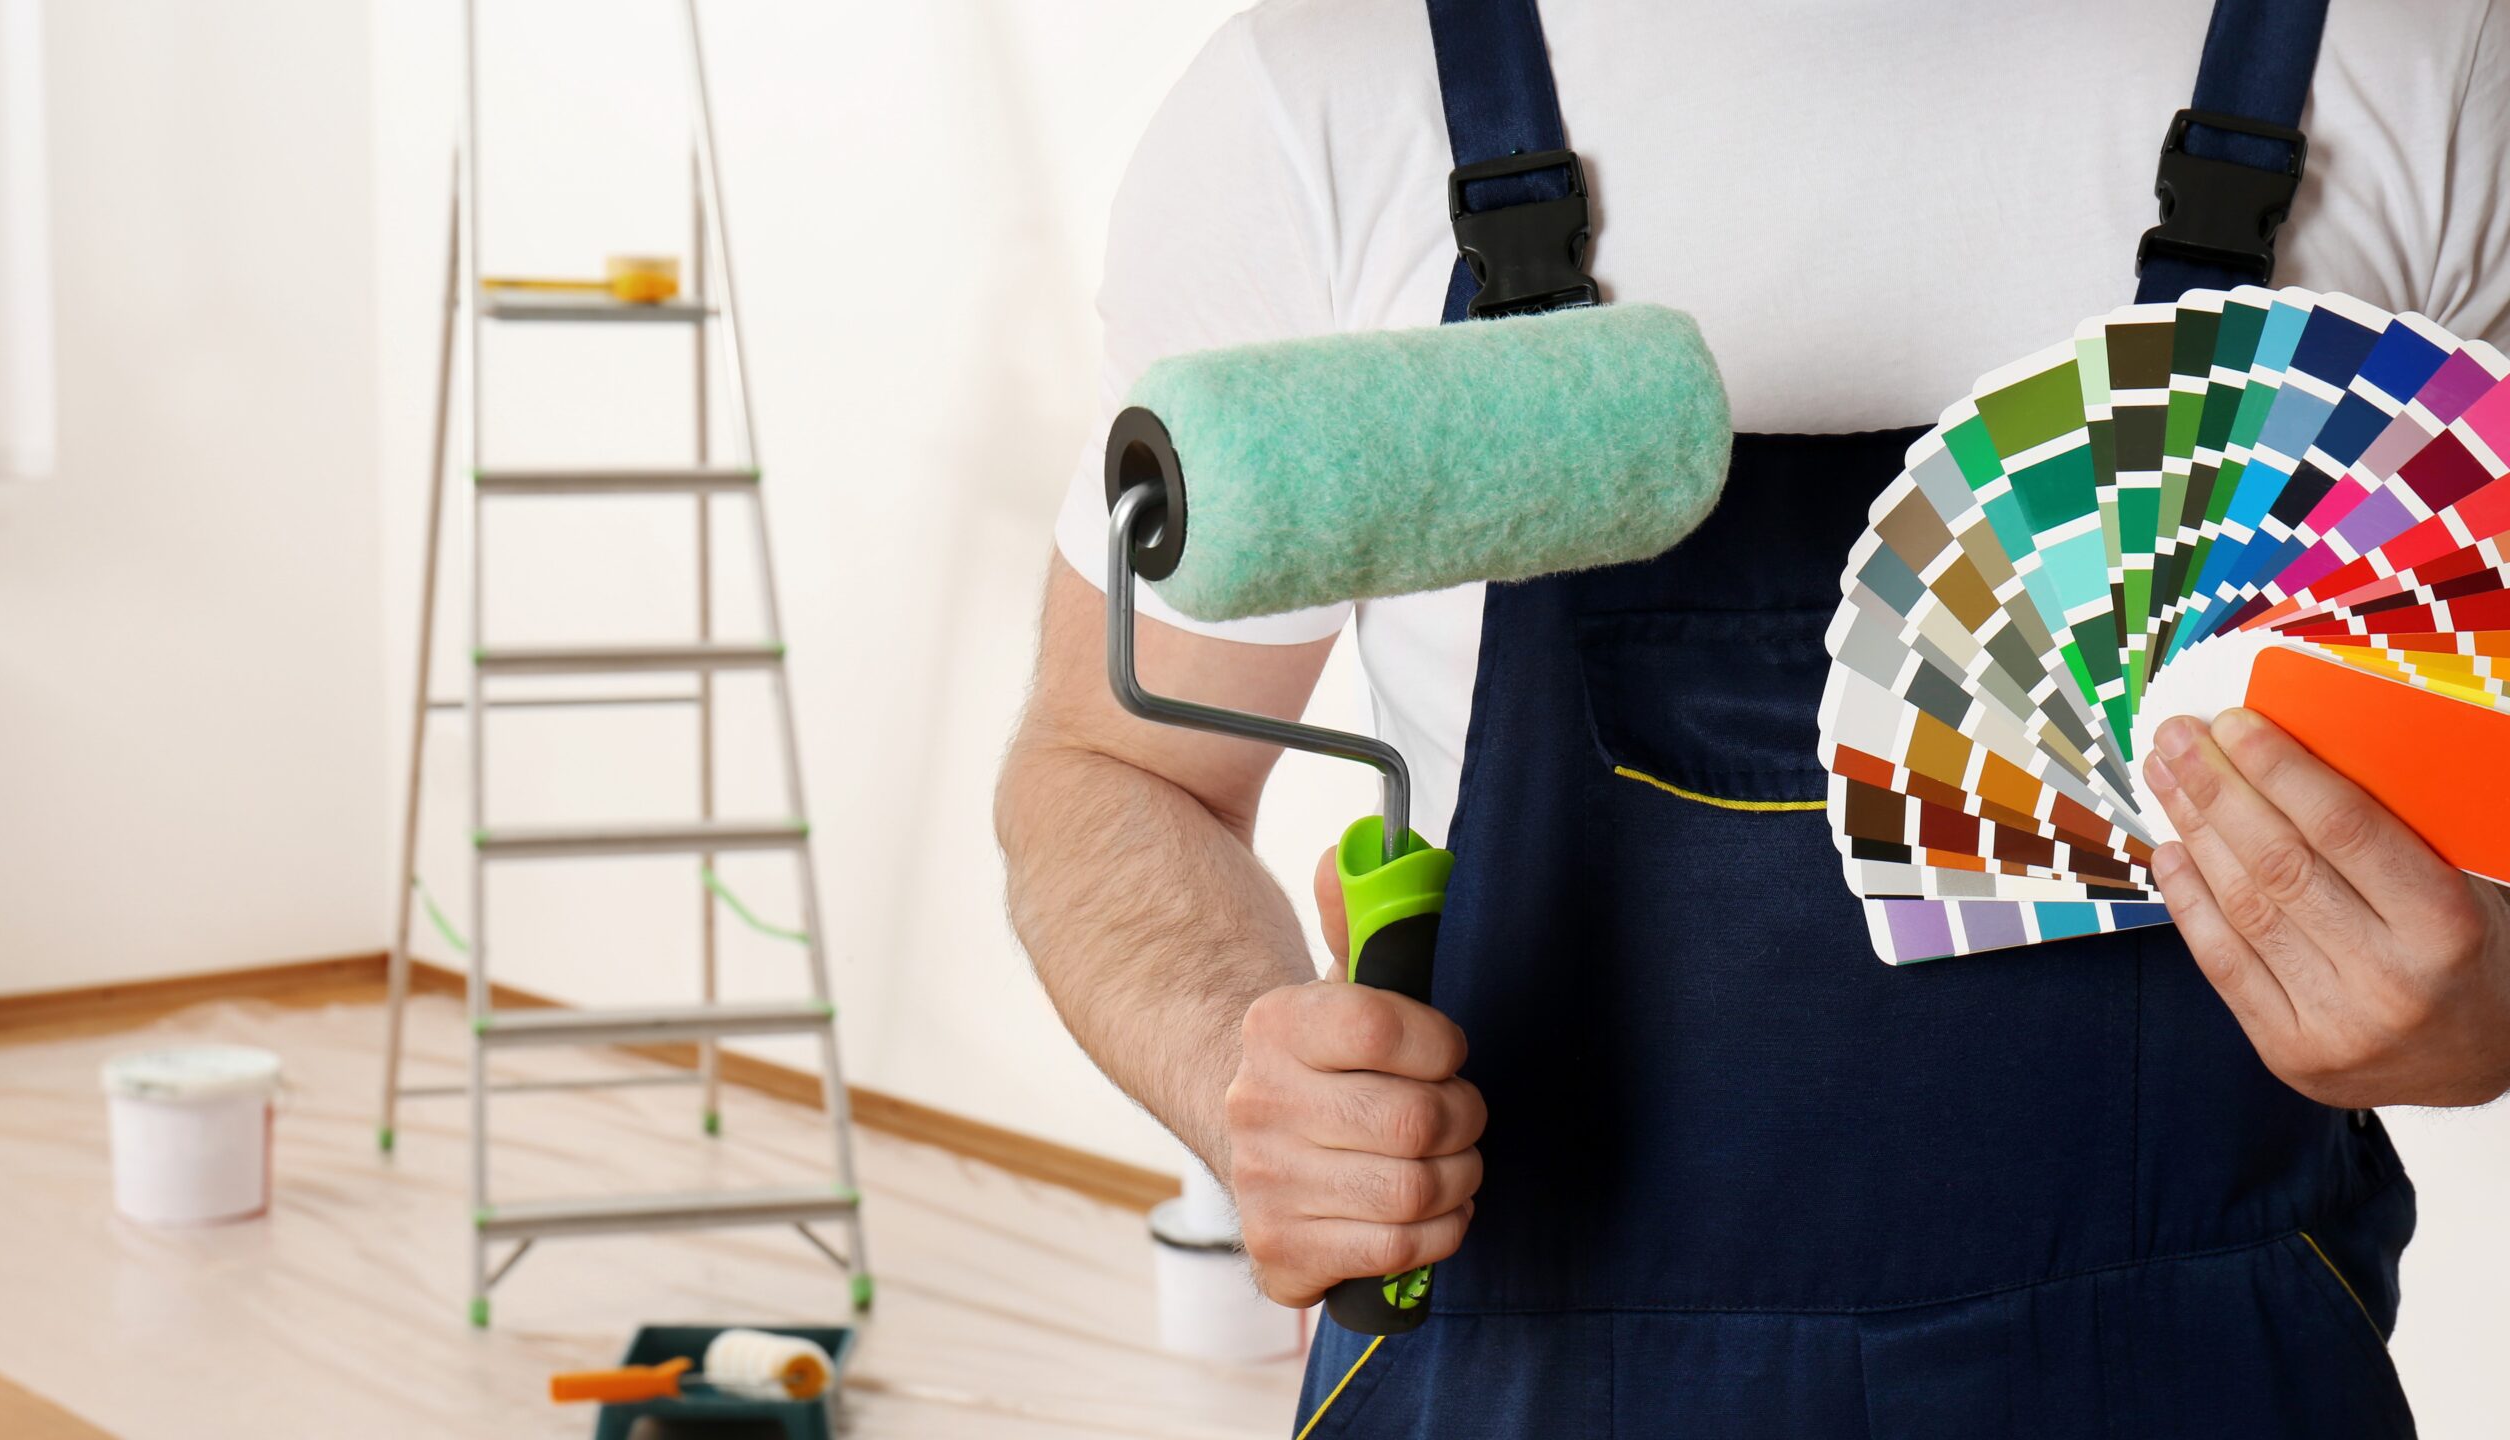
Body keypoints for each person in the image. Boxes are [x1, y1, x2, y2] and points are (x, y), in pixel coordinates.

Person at [994, 1, 2510, 1434]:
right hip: (1516, 1370)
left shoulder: (2429, 65)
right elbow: (1117, 766)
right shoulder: (1327, 85)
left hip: (2205, 1372)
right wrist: (1234, 1067)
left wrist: (2479, 1006)